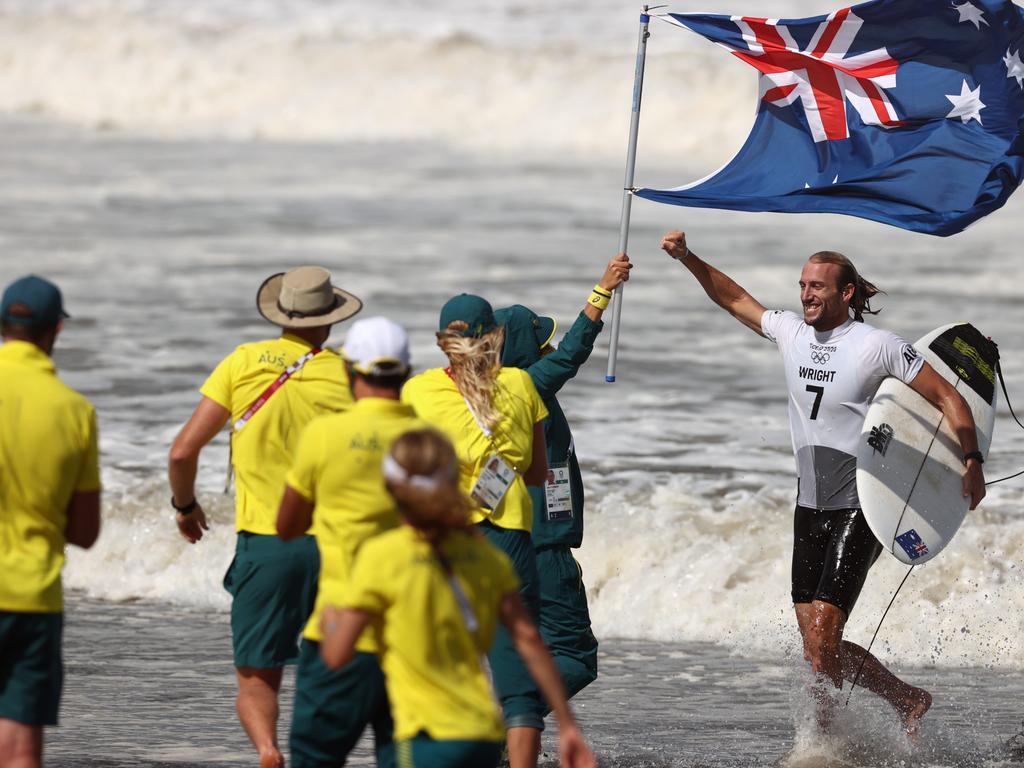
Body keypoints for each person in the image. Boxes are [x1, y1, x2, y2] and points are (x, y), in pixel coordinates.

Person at [660, 229, 986, 733]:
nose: (806, 295)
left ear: (846, 292)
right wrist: (687, 257)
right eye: (802, 285)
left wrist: (970, 460)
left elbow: (949, 398)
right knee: (816, 646)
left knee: (824, 633)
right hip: (808, 503)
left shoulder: (878, 346)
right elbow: (734, 299)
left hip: (860, 505)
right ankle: (886, 708)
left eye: (818, 287)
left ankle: (832, 736)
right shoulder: (791, 332)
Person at [167, 266, 362, 768]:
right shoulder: (346, 374)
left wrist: (185, 507)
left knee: (257, 676)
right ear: (330, 319)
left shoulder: (242, 362)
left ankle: (269, 751)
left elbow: (182, 452)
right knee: (337, 669)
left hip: (268, 544)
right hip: (337, 546)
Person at [319, 429, 597, 768]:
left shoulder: (383, 556)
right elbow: (527, 640)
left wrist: (330, 617)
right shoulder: (485, 558)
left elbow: (338, 655)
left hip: (420, 734)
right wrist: (567, 725)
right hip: (477, 732)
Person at [401, 295, 549, 768]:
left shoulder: (418, 392)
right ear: (495, 336)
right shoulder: (522, 385)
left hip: (444, 542)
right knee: (517, 680)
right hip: (507, 543)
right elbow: (537, 471)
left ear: (443, 341)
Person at [277, 316, 424, 768]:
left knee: (314, 758)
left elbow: (287, 525)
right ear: (406, 372)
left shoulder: (325, 434)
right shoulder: (427, 439)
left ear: (348, 371)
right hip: (410, 636)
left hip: (339, 628)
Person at [494, 252, 632, 700]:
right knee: (575, 658)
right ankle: (505, 730)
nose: (548, 349)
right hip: (544, 550)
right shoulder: (527, 387)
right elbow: (573, 351)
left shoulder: (485, 398)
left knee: (526, 653)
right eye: (539, 344)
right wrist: (604, 289)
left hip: (506, 549)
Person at [0, 275, 102, 768]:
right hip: (32, 598)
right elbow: (85, 534)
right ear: (55, 329)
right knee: (19, 744)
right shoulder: (74, 412)